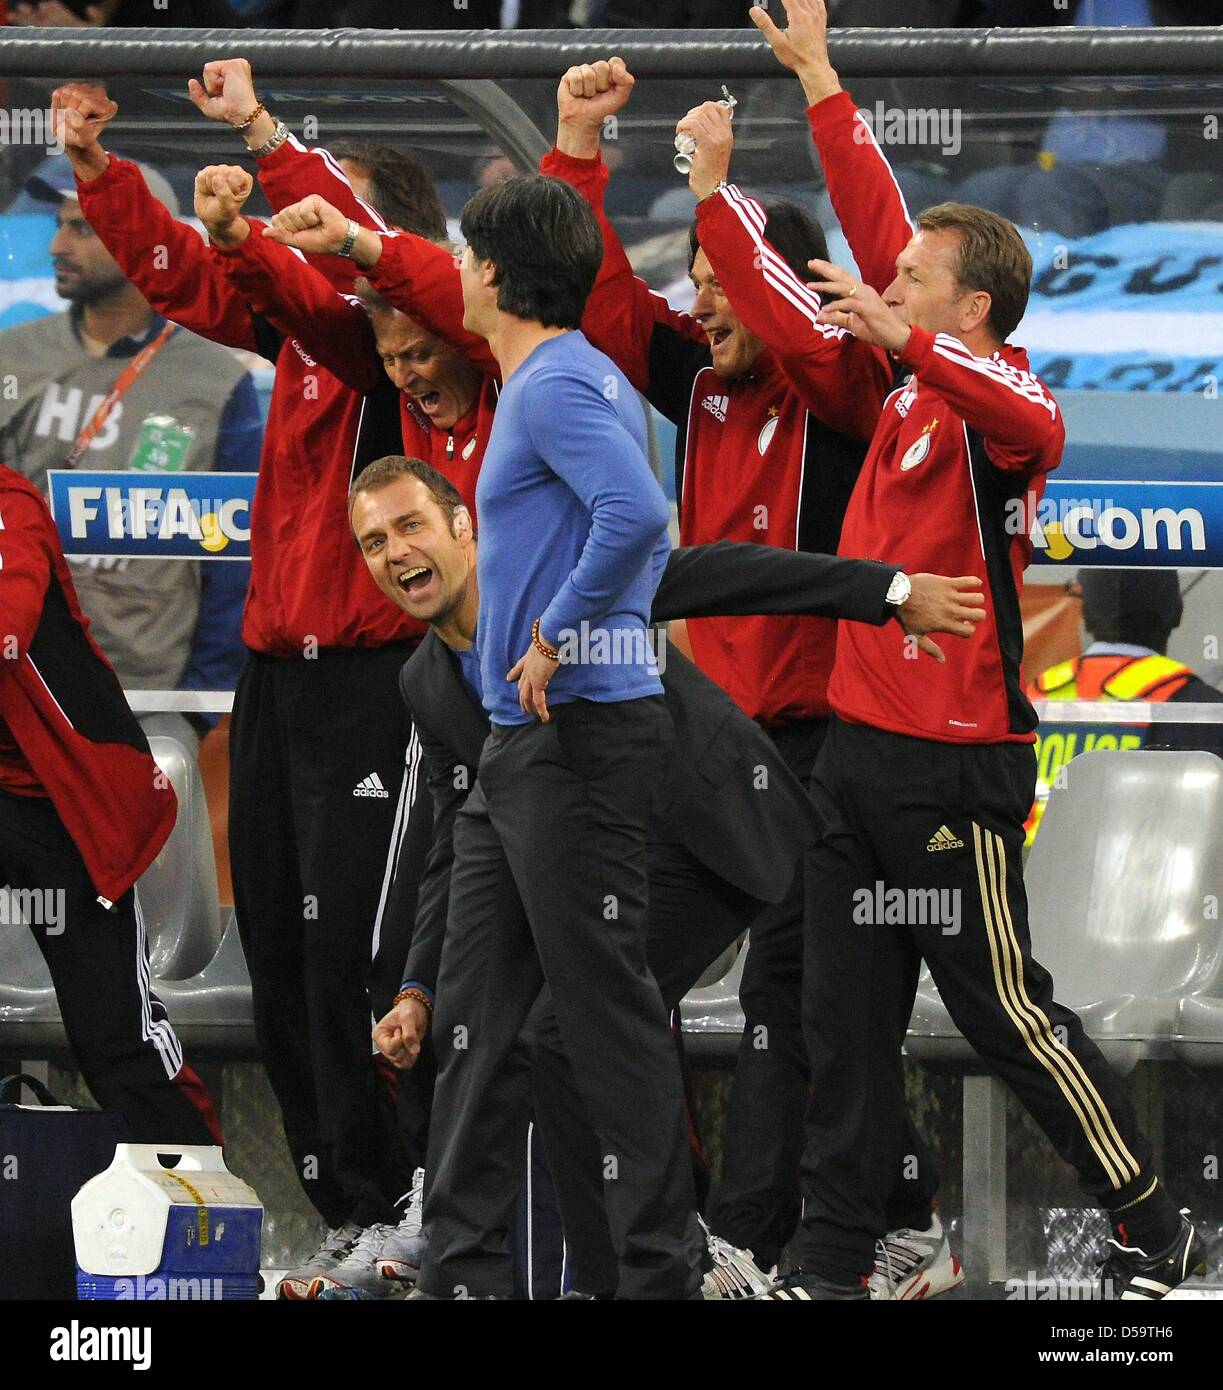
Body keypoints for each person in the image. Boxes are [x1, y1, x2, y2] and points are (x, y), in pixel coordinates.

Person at [751, 0, 1204, 1301]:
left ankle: (1147, 1216)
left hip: (953, 772)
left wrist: (910, 340)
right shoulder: (906, 382)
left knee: (1003, 1011)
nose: (885, 283)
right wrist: (822, 78)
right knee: (843, 1029)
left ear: (976, 305)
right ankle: (832, 1265)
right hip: (851, 760)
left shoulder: (1002, 407)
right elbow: (873, 205)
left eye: (911, 281)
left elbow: (1029, 420)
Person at [352, 454, 984, 1299]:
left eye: (408, 526)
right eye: (371, 543)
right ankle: (621, 1271)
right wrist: (420, 989)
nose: (394, 553)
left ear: (464, 528)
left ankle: (669, 1265)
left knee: (572, 1036)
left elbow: (719, 571)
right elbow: (452, 849)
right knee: (552, 1042)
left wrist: (889, 592)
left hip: (708, 833)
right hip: (596, 862)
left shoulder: (555, 587)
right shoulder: (426, 683)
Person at [49, 68, 443, 1298]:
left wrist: (261, 163)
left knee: (364, 969)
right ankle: (344, 1210)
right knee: (280, 958)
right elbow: (181, 275)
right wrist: (107, 178)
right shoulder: (294, 326)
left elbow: (279, 279)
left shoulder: (383, 352)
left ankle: (412, 1207)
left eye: (327, 218)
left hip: (377, 686)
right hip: (276, 682)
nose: (296, 235)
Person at [540, 55, 902, 1290]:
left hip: (817, 756)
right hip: (697, 749)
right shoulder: (694, 384)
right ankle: (680, 1237)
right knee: (616, 988)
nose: (700, 305)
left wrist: (714, 194)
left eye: (719, 283)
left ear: (785, 292)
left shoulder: (845, 391)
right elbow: (587, 300)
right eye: (693, 286)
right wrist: (579, 153)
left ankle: (757, 1245)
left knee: (789, 1016)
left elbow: (777, 299)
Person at [0, 158, 259, 757]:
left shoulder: (216, 377)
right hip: (24, 683)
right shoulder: (12, 358)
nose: (60, 244)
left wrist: (200, 699)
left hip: (149, 698)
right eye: (61, 226)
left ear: (145, 241)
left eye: (84, 229)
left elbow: (238, 553)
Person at [0, 464, 221, 1146]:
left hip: (57, 811)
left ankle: (200, 1201)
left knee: (115, 1034)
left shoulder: (10, 502)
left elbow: (10, 617)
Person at [1024, 568, 1223, 839]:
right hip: (1140, 876)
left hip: (1025, 873)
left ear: (1086, 614)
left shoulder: (1032, 698)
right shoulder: (1203, 710)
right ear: (1176, 613)